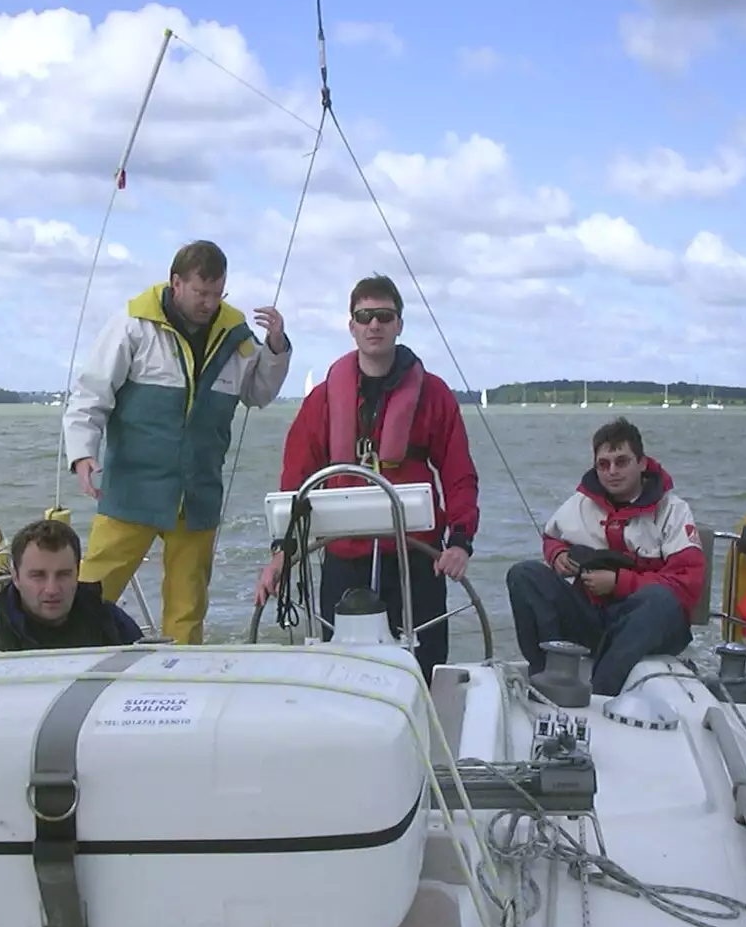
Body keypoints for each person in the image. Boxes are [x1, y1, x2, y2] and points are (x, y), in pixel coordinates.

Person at [253, 274, 479, 683]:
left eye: (384, 316)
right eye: (365, 316)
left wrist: (461, 542)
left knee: (424, 671)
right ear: (352, 325)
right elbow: (296, 481)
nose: (374, 324)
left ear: (399, 324)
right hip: (343, 555)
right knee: (340, 676)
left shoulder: (435, 394)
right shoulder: (322, 399)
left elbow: (459, 474)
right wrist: (282, 553)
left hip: (416, 555)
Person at [64, 240, 292, 644]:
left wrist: (275, 349)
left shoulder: (236, 336)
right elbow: (90, 395)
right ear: (176, 283)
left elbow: (259, 393)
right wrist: (83, 454)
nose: (209, 303)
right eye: (201, 293)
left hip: (197, 495)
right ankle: (63, 656)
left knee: (187, 610)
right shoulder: (133, 325)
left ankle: (179, 683)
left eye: (217, 294)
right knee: (91, 593)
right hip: (132, 490)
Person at [505, 417, 705, 696]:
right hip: (593, 617)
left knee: (661, 600)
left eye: (621, 462)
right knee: (523, 575)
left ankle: (601, 693)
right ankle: (547, 679)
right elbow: (552, 536)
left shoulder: (673, 510)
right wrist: (558, 554)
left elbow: (687, 585)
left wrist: (618, 583)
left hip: (647, 626)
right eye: (603, 464)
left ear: (642, 463)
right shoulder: (581, 503)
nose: (612, 471)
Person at [0, 518, 144, 651]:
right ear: (15, 577)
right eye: (38, 575)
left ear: (77, 574)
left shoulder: (110, 622)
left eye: (63, 575)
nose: (52, 589)